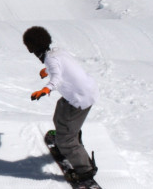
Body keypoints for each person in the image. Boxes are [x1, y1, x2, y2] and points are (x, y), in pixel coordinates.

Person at [23, 26, 99, 186]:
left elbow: (57, 77)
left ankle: (84, 171)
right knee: (60, 111)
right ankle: (70, 138)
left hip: (80, 99)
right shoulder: (57, 52)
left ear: (32, 49)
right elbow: (62, 67)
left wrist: (45, 89)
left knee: (66, 138)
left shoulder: (50, 59)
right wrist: (47, 70)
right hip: (81, 92)